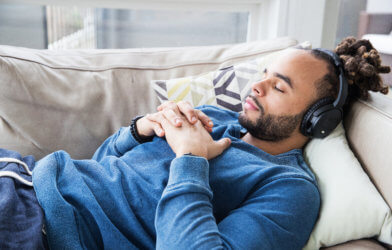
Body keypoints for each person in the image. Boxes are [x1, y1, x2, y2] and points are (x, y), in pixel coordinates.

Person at [1, 37, 390, 250]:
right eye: (264, 73)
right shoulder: (213, 115)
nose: (255, 86)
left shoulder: (288, 190)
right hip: (25, 176)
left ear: (317, 119)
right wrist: (139, 131)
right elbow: (102, 168)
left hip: (39, 228)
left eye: (279, 86)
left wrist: (190, 158)